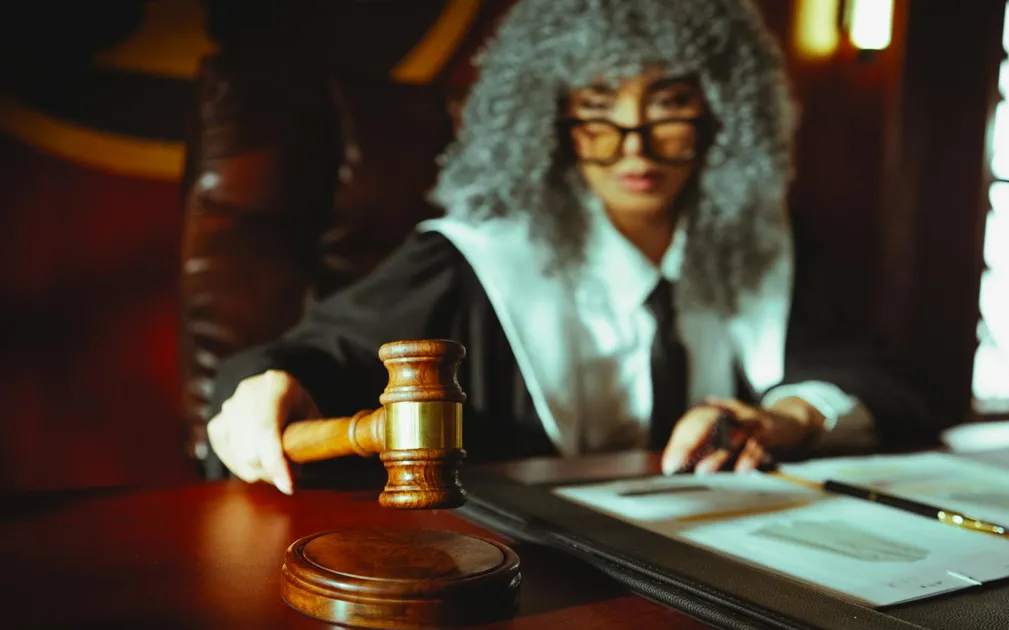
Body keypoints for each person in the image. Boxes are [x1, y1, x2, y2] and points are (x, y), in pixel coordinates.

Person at [205, 0, 934, 495]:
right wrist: (275, 383)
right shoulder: (474, 261)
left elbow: (878, 379)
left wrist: (783, 419)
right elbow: (321, 359)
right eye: (598, 112)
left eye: (671, 107)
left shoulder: (771, 245)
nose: (635, 148)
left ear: (723, 115)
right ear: (550, 121)